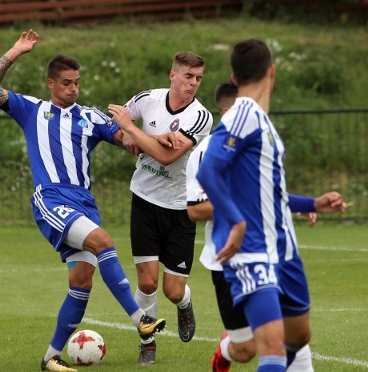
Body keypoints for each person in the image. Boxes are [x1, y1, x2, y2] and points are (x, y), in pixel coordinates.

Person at [0, 29, 166, 372]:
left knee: (81, 282)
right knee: (104, 242)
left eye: (77, 82)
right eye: (66, 83)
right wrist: (16, 51)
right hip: (51, 198)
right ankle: (141, 319)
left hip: (84, 205)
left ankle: (50, 357)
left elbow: (127, 141)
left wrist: (149, 135)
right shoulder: (31, 109)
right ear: (51, 84)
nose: (73, 88)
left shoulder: (90, 117)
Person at [196, 39, 346, 372]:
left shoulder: (261, 122)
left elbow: (267, 194)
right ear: (272, 71)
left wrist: (314, 203)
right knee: (272, 347)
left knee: (299, 335)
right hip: (252, 250)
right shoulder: (244, 112)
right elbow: (209, 169)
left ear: (234, 77)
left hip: (283, 247)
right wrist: (235, 221)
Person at [186, 81, 316, 372]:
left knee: (286, 336)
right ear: (228, 111)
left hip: (268, 252)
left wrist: (309, 204)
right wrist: (239, 209)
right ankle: (225, 350)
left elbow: (268, 195)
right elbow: (195, 210)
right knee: (246, 350)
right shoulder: (206, 152)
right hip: (227, 260)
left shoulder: (259, 143)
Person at [108, 51, 213, 365]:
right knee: (148, 282)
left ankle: (185, 304)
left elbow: (168, 157)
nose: (193, 84)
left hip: (181, 206)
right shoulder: (148, 99)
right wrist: (126, 135)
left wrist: (136, 132)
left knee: (172, 290)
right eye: (187, 77)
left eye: (198, 79)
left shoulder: (200, 116)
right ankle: (148, 343)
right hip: (144, 200)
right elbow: (115, 126)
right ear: (172, 75)